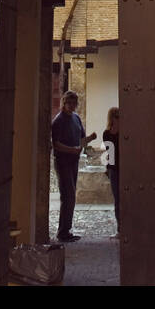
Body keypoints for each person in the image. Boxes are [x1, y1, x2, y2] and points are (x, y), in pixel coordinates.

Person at [51, 90, 96, 243]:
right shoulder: (58, 121)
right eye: (68, 103)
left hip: (73, 162)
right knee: (68, 196)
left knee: (71, 197)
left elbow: (81, 140)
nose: (71, 106)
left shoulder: (76, 119)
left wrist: (90, 138)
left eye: (73, 103)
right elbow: (55, 144)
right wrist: (72, 150)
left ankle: (66, 230)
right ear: (64, 103)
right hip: (63, 162)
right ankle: (63, 232)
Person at [103, 106, 120, 237]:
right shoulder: (107, 133)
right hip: (114, 169)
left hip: (124, 168)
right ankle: (120, 228)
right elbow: (111, 153)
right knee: (118, 200)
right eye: (116, 116)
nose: (118, 118)